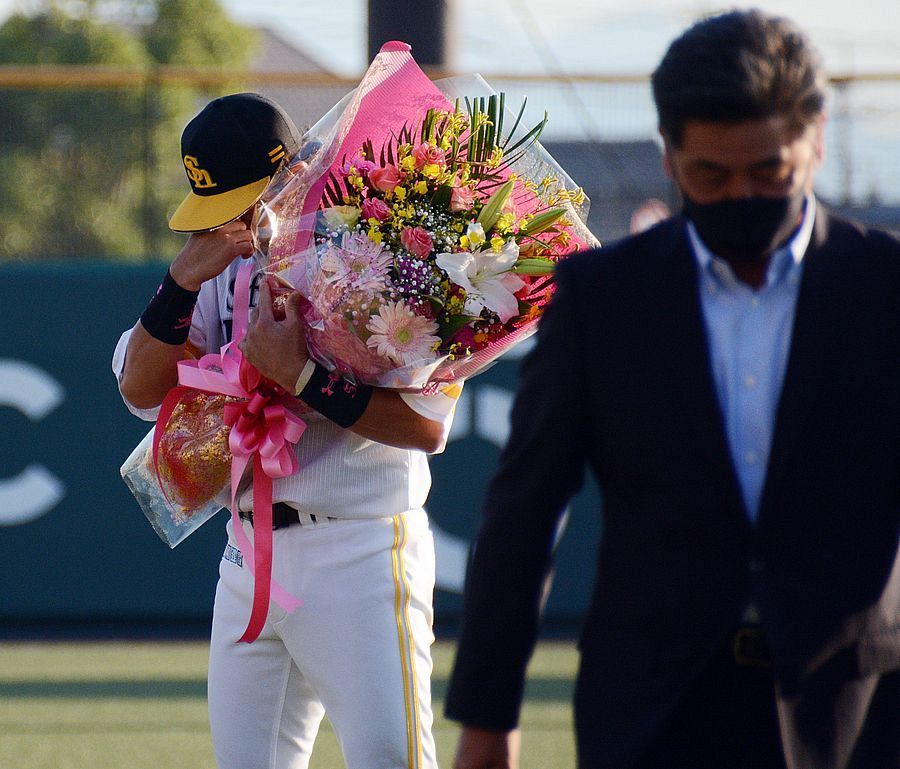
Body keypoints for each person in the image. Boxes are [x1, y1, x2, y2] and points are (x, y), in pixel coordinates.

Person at [445, 10, 899, 769]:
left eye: (769, 174)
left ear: (815, 142)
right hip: (651, 714)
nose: (741, 197)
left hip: (856, 715)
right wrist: (486, 717)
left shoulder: (887, 289)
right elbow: (524, 509)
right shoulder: (602, 297)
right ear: (669, 156)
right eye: (709, 177)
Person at [112, 92, 462, 769]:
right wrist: (180, 279)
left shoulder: (382, 244)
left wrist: (302, 378)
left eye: (244, 198)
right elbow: (138, 387)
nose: (232, 223)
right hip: (248, 551)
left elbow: (425, 425)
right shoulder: (219, 260)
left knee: (391, 760)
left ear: (295, 170)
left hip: (359, 545)